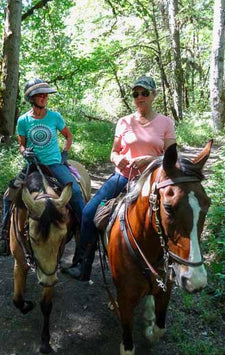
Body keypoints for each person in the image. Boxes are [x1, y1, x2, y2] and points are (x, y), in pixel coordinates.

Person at [65, 75, 176, 280]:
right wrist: (118, 159)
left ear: (154, 95)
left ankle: (173, 265)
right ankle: (82, 265)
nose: (139, 97)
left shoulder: (165, 123)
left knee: (171, 214)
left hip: (152, 180)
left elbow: (171, 158)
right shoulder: (124, 122)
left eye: (144, 93)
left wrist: (150, 160)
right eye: (136, 94)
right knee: (89, 212)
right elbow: (114, 152)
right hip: (124, 177)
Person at [0, 78, 85, 256]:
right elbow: (22, 145)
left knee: (75, 192)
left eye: (45, 94)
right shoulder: (23, 120)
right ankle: (5, 238)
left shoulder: (55, 117)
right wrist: (24, 152)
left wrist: (64, 153)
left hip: (54, 164)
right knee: (8, 196)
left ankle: (85, 232)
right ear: (32, 98)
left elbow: (68, 136)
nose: (44, 97)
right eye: (39, 95)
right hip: (32, 166)